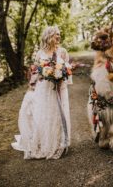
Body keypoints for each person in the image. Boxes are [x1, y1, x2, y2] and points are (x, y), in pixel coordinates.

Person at [11, 26, 72, 159]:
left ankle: (59, 142)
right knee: (44, 115)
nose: (58, 37)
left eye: (59, 34)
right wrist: (32, 85)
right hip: (44, 88)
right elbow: (35, 73)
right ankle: (45, 143)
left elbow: (68, 71)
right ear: (49, 36)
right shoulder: (40, 54)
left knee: (58, 114)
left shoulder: (62, 52)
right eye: (56, 34)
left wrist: (61, 77)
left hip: (60, 89)